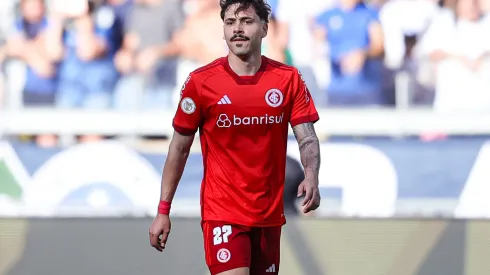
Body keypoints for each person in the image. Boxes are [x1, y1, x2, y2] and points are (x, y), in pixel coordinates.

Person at [149, 1, 321, 275]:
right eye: (230, 22)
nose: (237, 29)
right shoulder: (201, 82)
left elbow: (307, 137)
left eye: (246, 21)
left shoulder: (287, 79)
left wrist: (311, 174)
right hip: (223, 213)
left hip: (268, 215)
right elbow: (179, 149)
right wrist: (163, 209)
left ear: (265, 28)